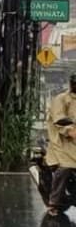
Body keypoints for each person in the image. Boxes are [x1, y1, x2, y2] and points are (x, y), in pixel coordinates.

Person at [45, 74, 76, 216]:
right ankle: (54, 202)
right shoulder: (61, 99)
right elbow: (59, 120)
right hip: (62, 142)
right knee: (65, 168)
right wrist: (70, 131)